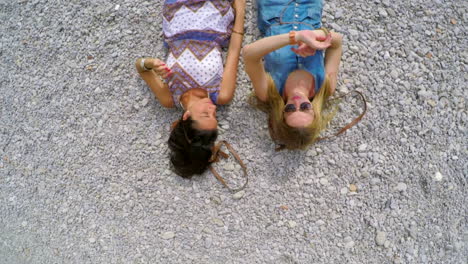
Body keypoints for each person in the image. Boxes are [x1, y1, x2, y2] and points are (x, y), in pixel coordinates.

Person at [135, 0, 246, 177]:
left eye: (205, 114)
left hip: (177, 17)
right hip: (215, 16)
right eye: (214, 115)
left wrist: (150, 63)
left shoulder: (169, 98)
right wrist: (240, 10)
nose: (213, 108)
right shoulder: (221, 95)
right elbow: (234, 50)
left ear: (186, 116)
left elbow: (140, 67)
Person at [242, 0, 343, 150]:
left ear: (281, 115)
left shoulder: (269, 92)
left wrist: (297, 37)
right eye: (304, 107)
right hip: (309, 9)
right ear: (315, 112)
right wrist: (316, 36)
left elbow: (249, 54)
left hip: (273, 9)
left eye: (290, 109)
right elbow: (337, 43)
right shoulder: (324, 87)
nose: (296, 102)